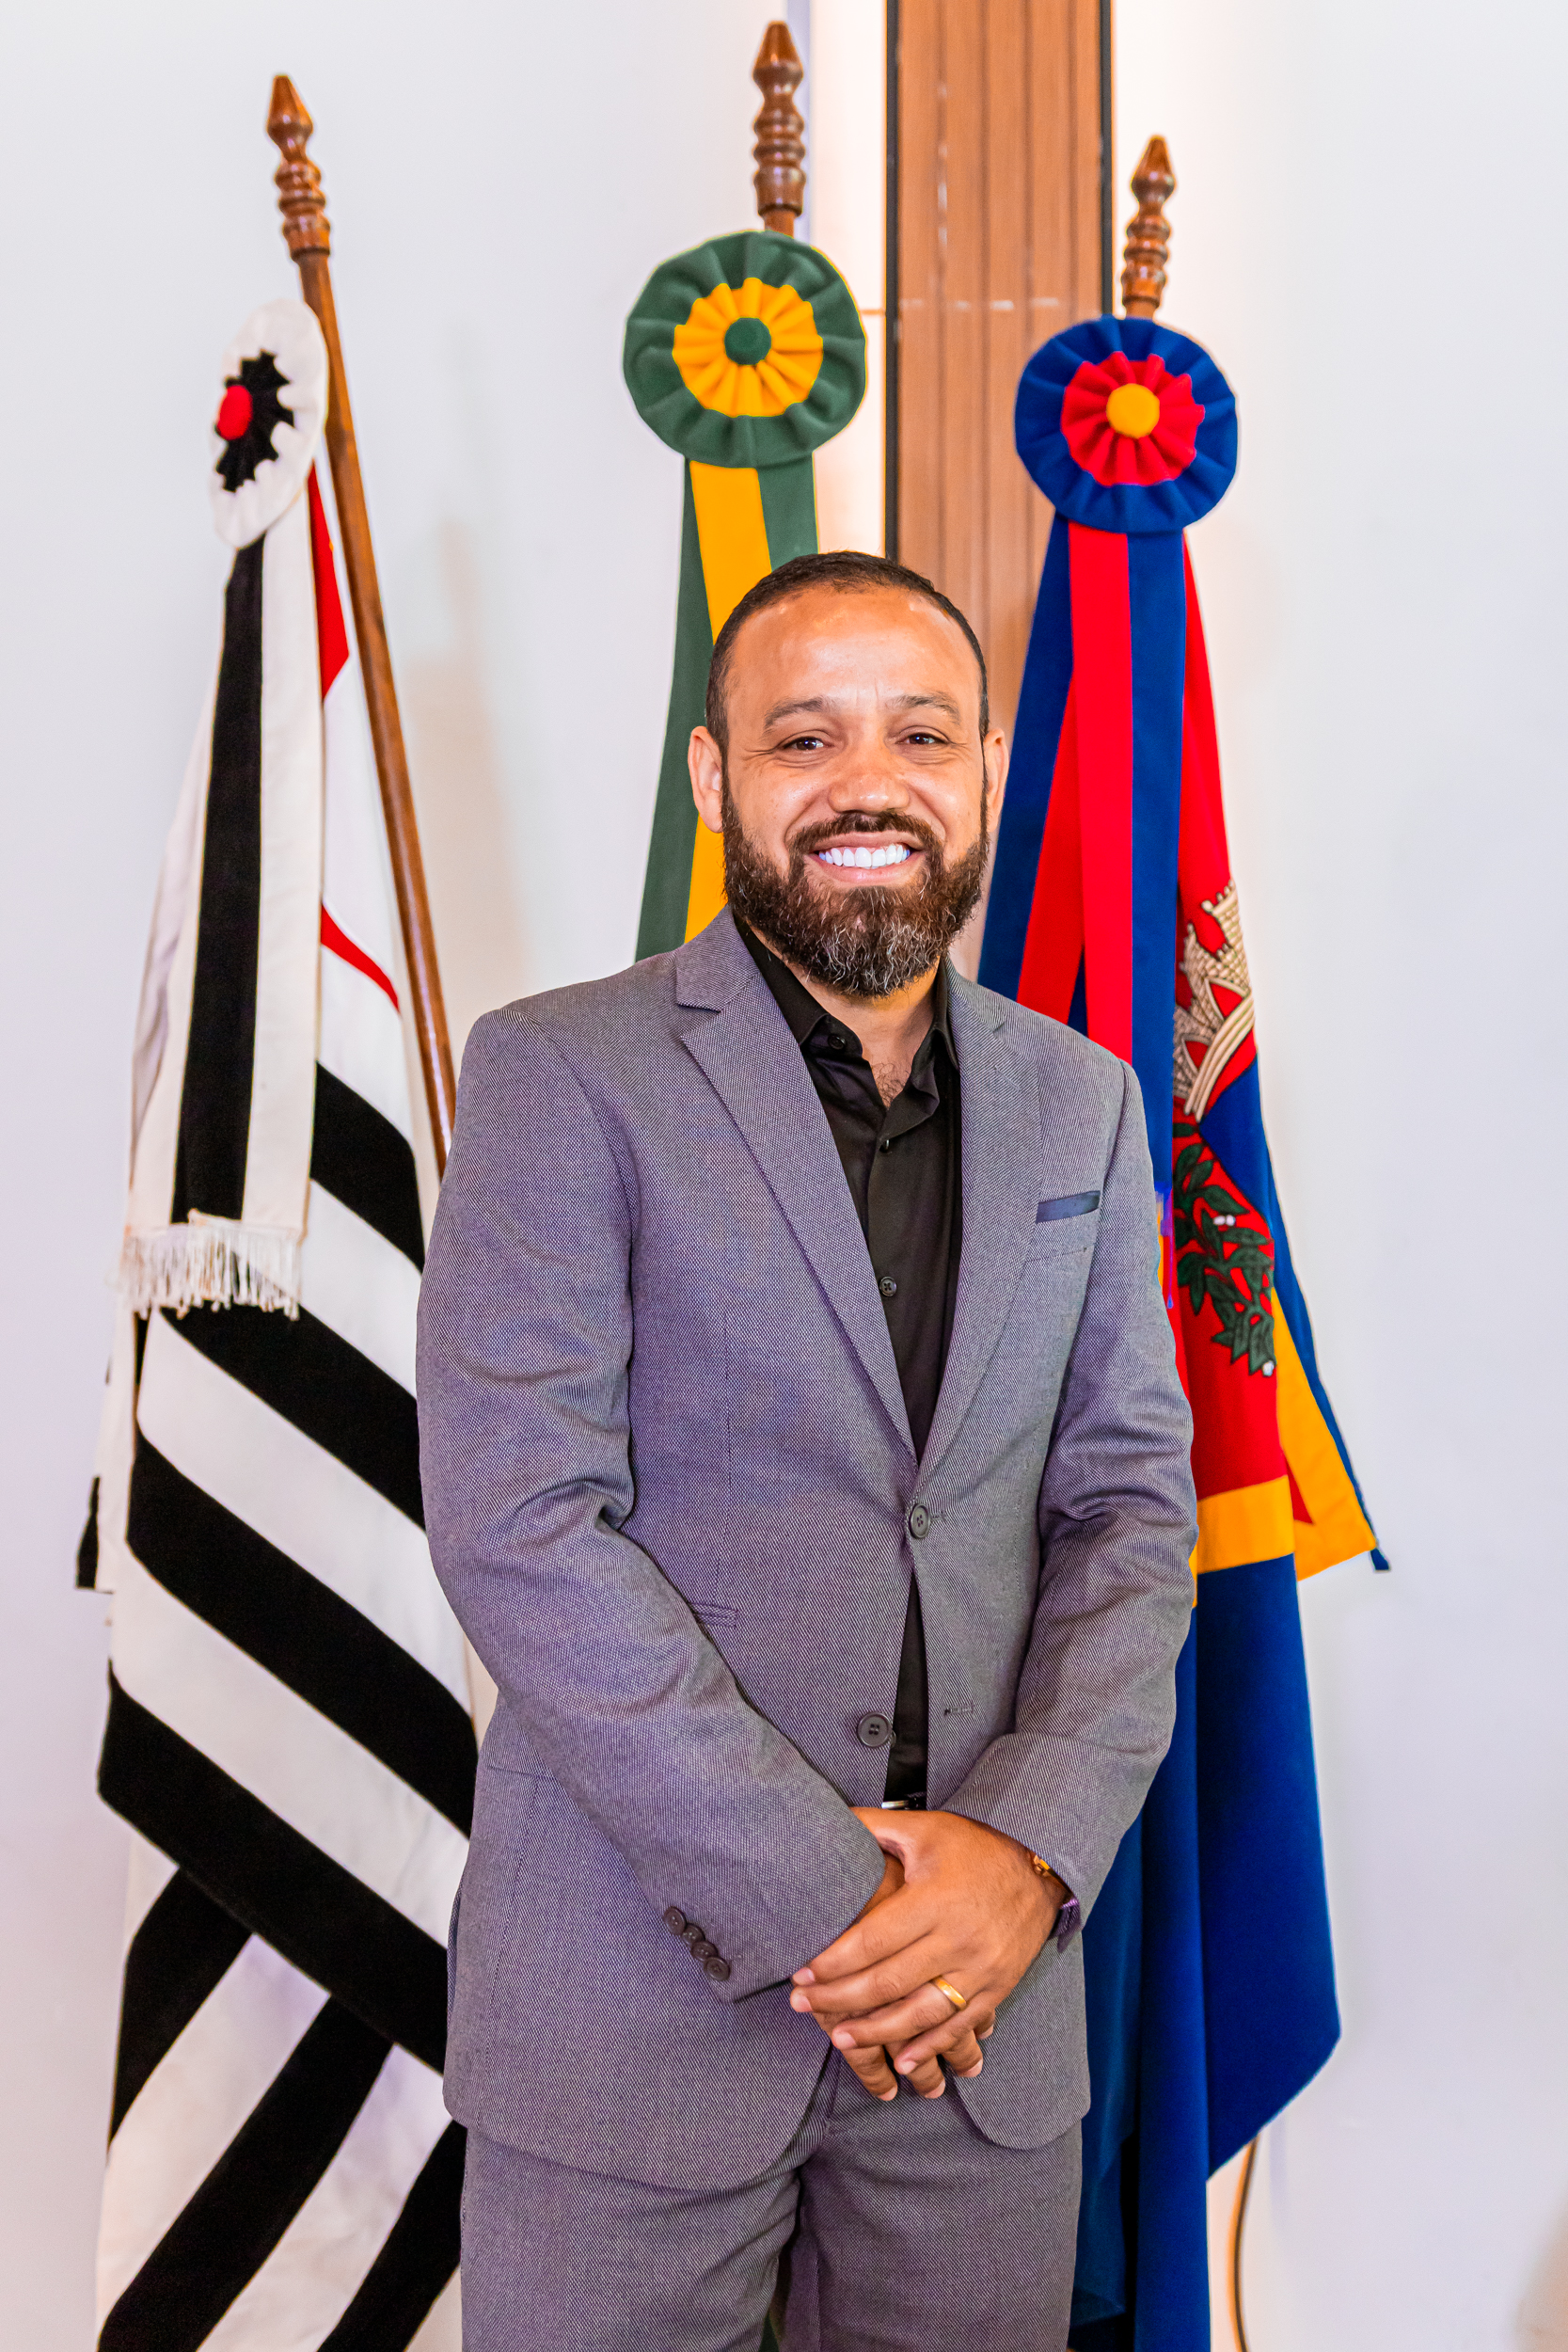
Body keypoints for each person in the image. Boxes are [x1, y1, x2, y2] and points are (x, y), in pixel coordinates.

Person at [417, 550, 1196, 2351]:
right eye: (803, 736)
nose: (868, 782)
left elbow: (1130, 1515)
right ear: (715, 779)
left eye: (920, 734)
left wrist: (1021, 1862)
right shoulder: (560, 1074)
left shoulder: (1082, 1099)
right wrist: (845, 1910)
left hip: (984, 2026)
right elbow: (523, 1524)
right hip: (636, 2013)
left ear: (987, 769)